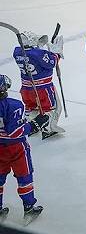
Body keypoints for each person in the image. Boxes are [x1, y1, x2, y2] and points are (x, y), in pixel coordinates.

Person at [0, 74, 48, 224]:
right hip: (17, 148)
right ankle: (29, 208)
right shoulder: (14, 105)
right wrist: (34, 125)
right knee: (24, 176)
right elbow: (14, 132)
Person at [12, 31, 64, 139]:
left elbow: (30, 55)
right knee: (51, 108)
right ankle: (47, 129)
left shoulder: (17, 52)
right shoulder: (38, 54)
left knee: (31, 108)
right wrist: (56, 53)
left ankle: (30, 127)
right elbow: (52, 63)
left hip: (26, 89)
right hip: (43, 89)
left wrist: (40, 47)